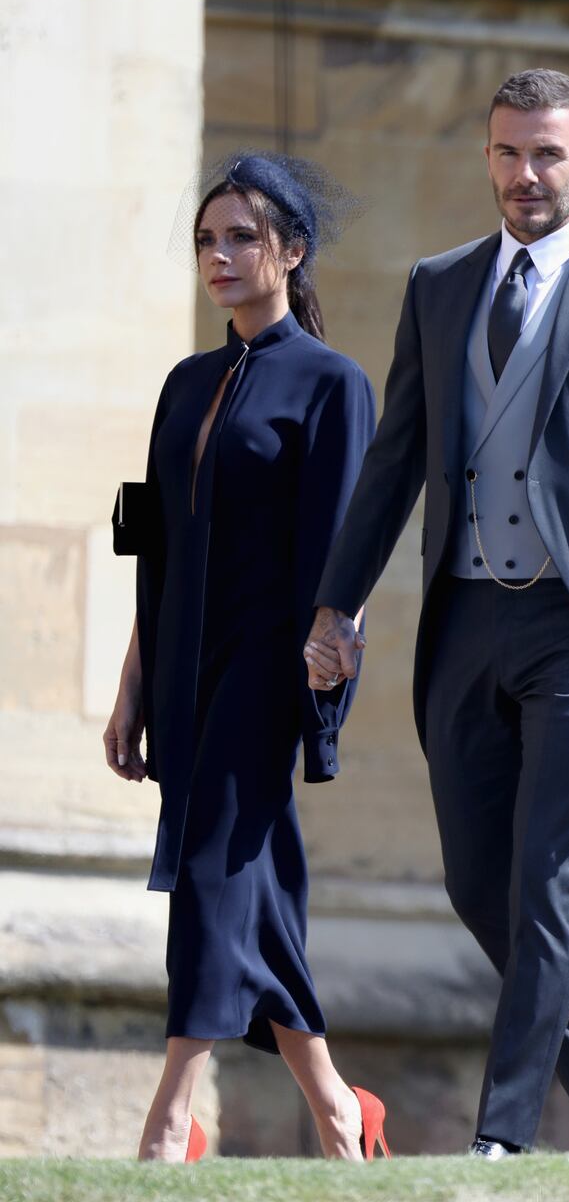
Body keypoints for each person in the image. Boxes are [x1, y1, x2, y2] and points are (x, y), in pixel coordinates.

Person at [303, 69, 569, 1155]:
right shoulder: (437, 283)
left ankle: (504, 1137)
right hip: (462, 620)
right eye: (506, 152)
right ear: (487, 157)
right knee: (472, 881)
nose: (523, 174)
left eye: (546, 154)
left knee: (545, 878)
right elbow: (395, 460)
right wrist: (334, 606)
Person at [103, 152, 390, 1163]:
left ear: (291, 252)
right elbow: (154, 547)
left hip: (272, 665)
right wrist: (132, 685)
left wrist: (330, 646)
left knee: (214, 868)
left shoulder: (331, 383)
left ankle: (168, 1116)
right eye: (205, 239)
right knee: (250, 883)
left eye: (241, 238)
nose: (218, 256)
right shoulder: (184, 384)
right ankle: (338, 1111)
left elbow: (343, 550)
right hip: (181, 665)